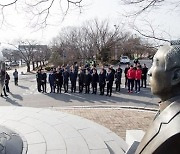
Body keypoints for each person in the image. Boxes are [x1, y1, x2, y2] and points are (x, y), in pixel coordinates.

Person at [135, 41, 180, 154]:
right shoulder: (165, 108)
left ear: (176, 76)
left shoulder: (176, 128)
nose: (149, 72)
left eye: (156, 64)